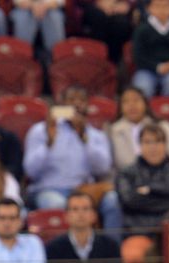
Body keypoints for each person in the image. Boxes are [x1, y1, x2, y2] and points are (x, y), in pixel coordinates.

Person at [22, 85, 120, 235]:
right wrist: (49, 142)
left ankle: (111, 254)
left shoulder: (96, 135)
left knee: (112, 200)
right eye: (71, 99)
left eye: (81, 100)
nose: (76, 104)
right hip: (48, 190)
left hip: (84, 191)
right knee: (58, 205)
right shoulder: (40, 130)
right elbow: (31, 171)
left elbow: (103, 168)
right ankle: (66, 255)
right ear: (61, 104)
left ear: (87, 106)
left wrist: (84, 137)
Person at [115, 122, 169, 236]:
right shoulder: (126, 173)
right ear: (140, 145)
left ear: (165, 145)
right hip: (138, 231)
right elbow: (130, 200)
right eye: (147, 142)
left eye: (158, 141)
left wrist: (151, 189)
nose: (153, 147)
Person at [107, 86, 169, 176]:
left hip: (163, 178)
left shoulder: (162, 126)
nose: (131, 105)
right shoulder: (113, 131)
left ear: (145, 103)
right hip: (129, 181)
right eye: (126, 102)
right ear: (120, 107)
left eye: (136, 100)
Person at [131, 0, 169, 98]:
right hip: (147, 70)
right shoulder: (141, 30)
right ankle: (146, 112)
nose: (162, 10)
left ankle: (167, 110)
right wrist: (158, 67)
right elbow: (138, 56)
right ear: (148, 8)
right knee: (143, 86)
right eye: (157, 6)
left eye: (166, 6)